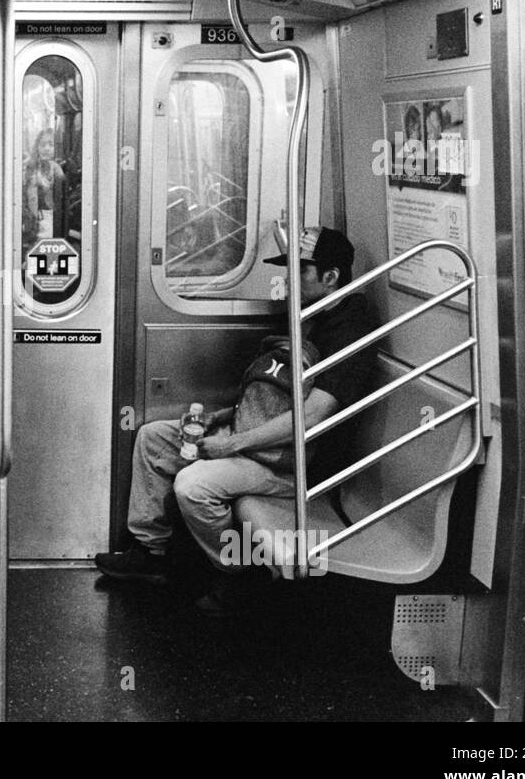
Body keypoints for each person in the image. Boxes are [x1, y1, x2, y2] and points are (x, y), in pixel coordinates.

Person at [94, 226, 379, 613]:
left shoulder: (350, 332)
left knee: (192, 485)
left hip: (290, 464)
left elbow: (310, 417)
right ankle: (152, 551)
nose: (288, 280)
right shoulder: (307, 316)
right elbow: (272, 394)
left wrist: (232, 444)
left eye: (300, 271)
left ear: (330, 278)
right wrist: (223, 418)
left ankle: (238, 574)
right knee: (153, 437)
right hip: (254, 438)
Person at [21, 128, 66, 255]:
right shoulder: (30, 167)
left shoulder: (56, 169)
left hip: (50, 220)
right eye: (43, 145)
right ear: (37, 147)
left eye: (51, 144)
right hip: (31, 221)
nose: (47, 148)